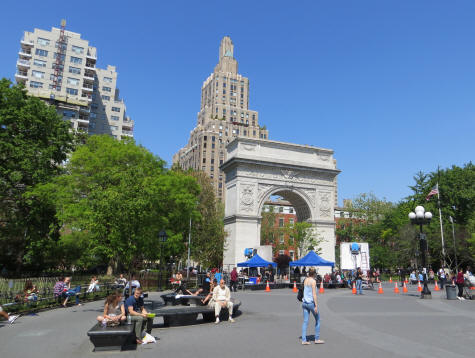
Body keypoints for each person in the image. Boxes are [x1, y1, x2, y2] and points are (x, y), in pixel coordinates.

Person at [301, 268, 324, 345]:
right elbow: (314, 294)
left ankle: (304, 340)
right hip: (311, 303)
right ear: (314, 273)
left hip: (304, 303)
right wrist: (316, 306)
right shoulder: (313, 281)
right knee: (317, 319)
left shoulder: (305, 280)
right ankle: (316, 339)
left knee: (305, 321)